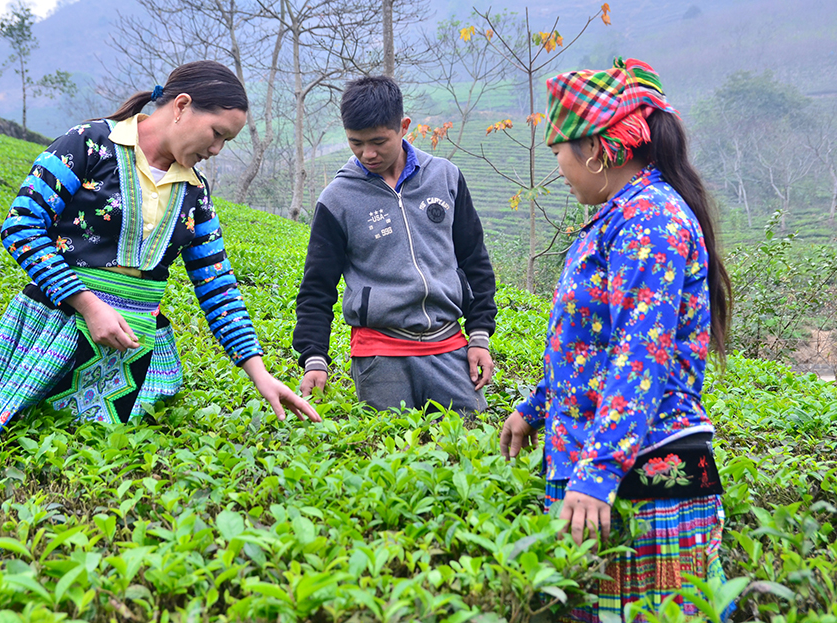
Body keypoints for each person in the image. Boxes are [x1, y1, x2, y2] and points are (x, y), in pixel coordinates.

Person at [0, 61, 320, 468]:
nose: (216, 150)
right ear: (181, 105)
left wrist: (259, 373)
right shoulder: (88, 145)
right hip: (55, 329)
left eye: (225, 142)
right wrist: (88, 305)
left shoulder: (196, 191)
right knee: (10, 439)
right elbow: (21, 226)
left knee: (93, 459)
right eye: (217, 134)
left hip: (132, 349)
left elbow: (218, 286)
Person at [498, 58, 734, 621]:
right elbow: (591, 345)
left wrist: (599, 471)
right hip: (603, 467)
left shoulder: (650, 219)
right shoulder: (620, 216)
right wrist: (538, 406)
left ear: (600, 151)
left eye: (560, 150)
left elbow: (639, 354)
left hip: (642, 475)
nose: (558, 166)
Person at [292, 76, 497, 417]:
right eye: (355, 143)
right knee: (391, 453)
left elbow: (474, 260)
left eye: (378, 142)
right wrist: (314, 357)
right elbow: (317, 287)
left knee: (469, 441)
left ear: (403, 127)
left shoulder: (445, 177)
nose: (367, 154)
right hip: (379, 355)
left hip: (449, 346)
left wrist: (479, 336)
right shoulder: (337, 199)